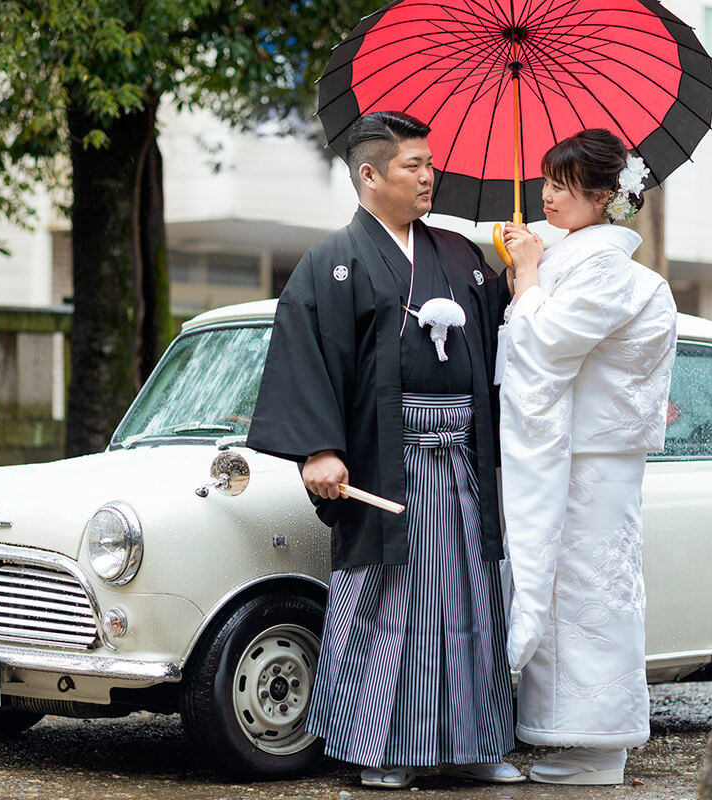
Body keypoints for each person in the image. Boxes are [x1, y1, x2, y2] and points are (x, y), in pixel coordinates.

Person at [246, 110, 522, 789]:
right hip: (382, 465)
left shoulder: (462, 257)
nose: (430, 176)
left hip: (461, 460)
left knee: (470, 602)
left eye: (430, 164)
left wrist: (522, 279)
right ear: (369, 175)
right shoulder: (331, 264)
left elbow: (507, 349)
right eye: (414, 165)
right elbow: (306, 359)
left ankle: (476, 742)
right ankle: (384, 747)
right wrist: (319, 449)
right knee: (389, 603)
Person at [498, 128, 677, 785]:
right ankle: (578, 739)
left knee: (593, 594)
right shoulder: (586, 261)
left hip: (595, 460)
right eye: (546, 181)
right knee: (572, 590)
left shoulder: (604, 268)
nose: (546, 196)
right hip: (586, 454)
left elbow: (546, 343)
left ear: (604, 197)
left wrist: (525, 274)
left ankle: (600, 746)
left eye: (562, 187)